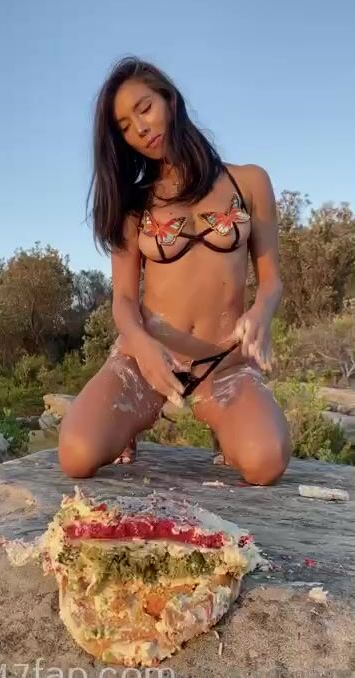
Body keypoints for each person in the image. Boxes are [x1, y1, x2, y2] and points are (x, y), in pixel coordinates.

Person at [59, 57, 291, 485]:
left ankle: (224, 424)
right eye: (125, 127)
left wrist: (260, 314)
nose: (140, 128)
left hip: (224, 363)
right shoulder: (134, 205)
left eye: (144, 108)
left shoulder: (249, 182)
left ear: (170, 99)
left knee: (266, 462)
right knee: (76, 455)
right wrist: (141, 347)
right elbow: (123, 300)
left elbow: (271, 280)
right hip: (148, 357)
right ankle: (131, 421)